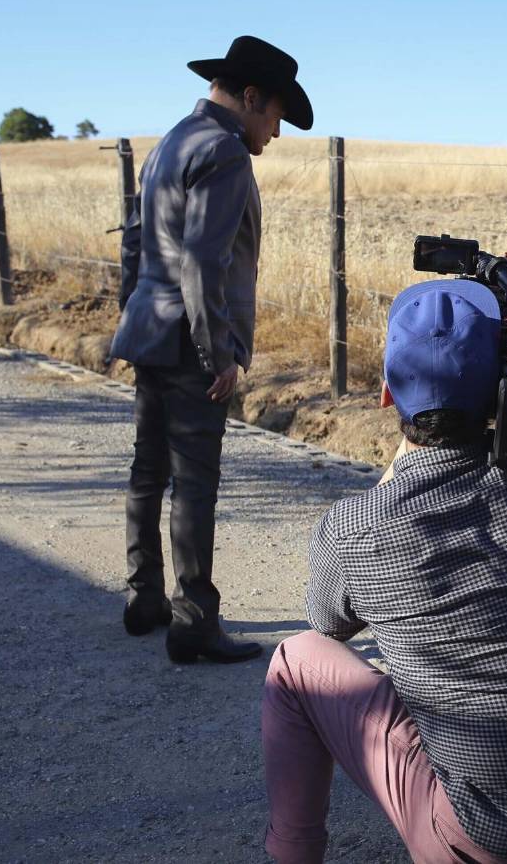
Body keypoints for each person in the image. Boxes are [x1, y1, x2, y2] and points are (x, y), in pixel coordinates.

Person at [261, 279, 507, 863]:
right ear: (500, 389)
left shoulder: (358, 525)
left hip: (478, 846)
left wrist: (399, 471)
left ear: (386, 394)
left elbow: (327, 620)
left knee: (293, 662)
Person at [110, 36, 313, 663]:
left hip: (150, 331)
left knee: (149, 470)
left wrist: (134, 314)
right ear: (250, 97)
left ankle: (144, 598)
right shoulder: (225, 151)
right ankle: (194, 621)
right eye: (275, 115)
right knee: (195, 482)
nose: (276, 132)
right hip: (190, 341)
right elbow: (201, 258)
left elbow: (135, 245)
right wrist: (217, 350)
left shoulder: (171, 139)